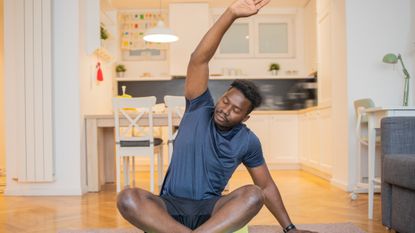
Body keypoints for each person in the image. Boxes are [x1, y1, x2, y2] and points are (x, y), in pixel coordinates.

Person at [117, 0, 316, 232]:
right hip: (169, 207)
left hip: (212, 212)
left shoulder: (248, 140)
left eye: (235, 110)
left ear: (245, 118)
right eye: (225, 101)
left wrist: (290, 228)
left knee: (254, 195)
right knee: (127, 198)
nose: (225, 109)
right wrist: (230, 13)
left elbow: (267, 185)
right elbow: (198, 59)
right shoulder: (198, 108)